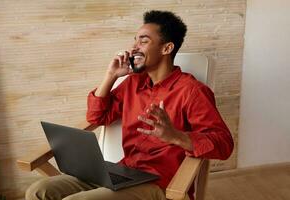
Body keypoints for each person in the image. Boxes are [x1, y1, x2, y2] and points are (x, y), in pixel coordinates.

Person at [26, 10, 234, 200]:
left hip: (158, 183)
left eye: (143, 41)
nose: (134, 47)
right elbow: (97, 118)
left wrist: (175, 136)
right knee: (38, 192)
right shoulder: (134, 83)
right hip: (124, 171)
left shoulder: (191, 91)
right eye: (135, 41)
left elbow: (224, 144)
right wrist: (111, 76)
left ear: (167, 48)